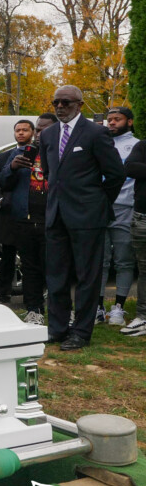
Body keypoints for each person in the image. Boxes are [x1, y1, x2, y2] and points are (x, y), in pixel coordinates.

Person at [39, 85, 125, 352]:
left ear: (80, 104)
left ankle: (81, 332)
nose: (60, 107)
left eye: (65, 102)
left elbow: (115, 174)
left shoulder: (96, 132)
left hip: (88, 216)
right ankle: (58, 328)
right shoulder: (49, 134)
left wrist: (98, 202)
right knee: (56, 275)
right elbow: (49, 172)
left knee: (88, 276)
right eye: (56, 103)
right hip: (56, 216)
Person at [0, 114, 56, 324]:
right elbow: (3, 182)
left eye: (44, 130)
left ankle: (61, 312)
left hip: (53, 220)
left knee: (55, 268)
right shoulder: (20, 153)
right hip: (24, 219)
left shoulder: (60, 152)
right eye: (38, 130)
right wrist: (13, 167)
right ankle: (34, 310)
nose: (41, 134)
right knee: (30, 269)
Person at [98, 107, 138, 326]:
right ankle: (97, 307)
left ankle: (119, 308)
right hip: (98, 209)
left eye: (117, 119)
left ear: (129, 122)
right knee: (99, 261)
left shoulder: (137, 145)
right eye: (109, 119)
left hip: (124, 209)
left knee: (123, 260)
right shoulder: (100, 142)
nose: (111, 123)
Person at [121, 131, 146, 337]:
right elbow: (130, 167)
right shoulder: (142, 146)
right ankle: (143, 317)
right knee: (144, 269)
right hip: (143, 218)